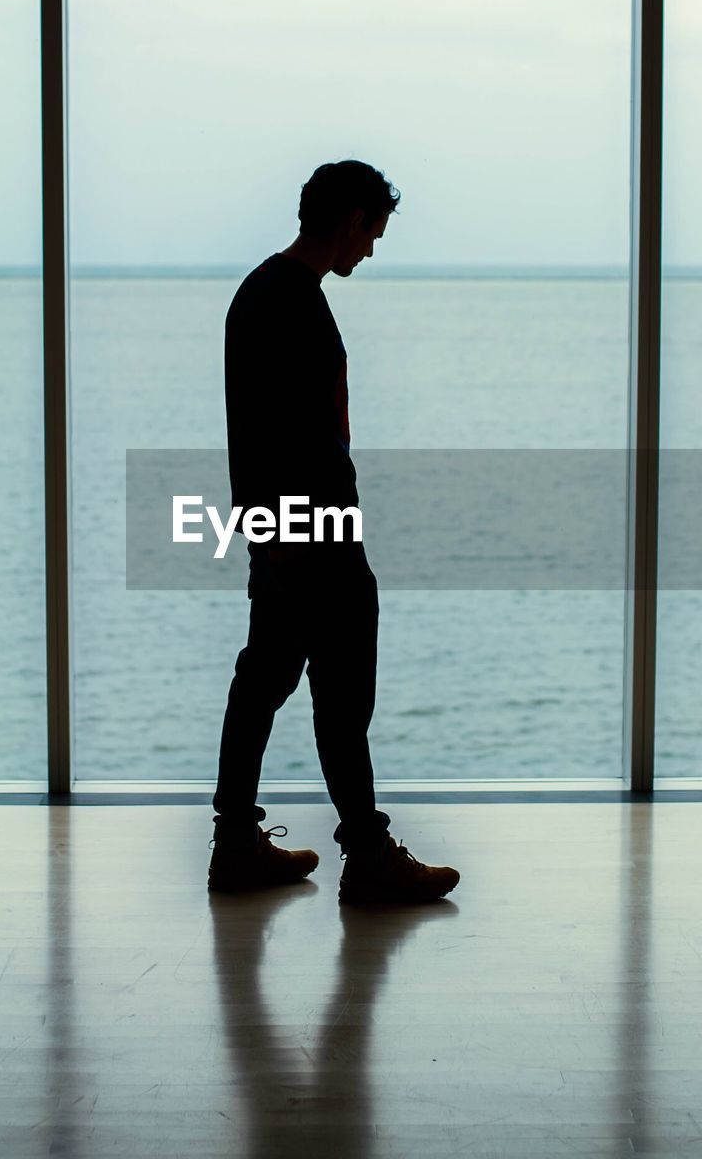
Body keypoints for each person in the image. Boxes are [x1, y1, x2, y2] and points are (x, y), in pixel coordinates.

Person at [207, 160, 460, 904]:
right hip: (313, 529)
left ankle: (236, 845)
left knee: (266, 677)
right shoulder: (291, 301)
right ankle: (370, 856)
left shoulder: (263, 292)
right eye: (372, 232)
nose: (371, 250)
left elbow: (259, 433)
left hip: (277, 523)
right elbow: (307, 441)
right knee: (340, 688)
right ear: (351, 218)